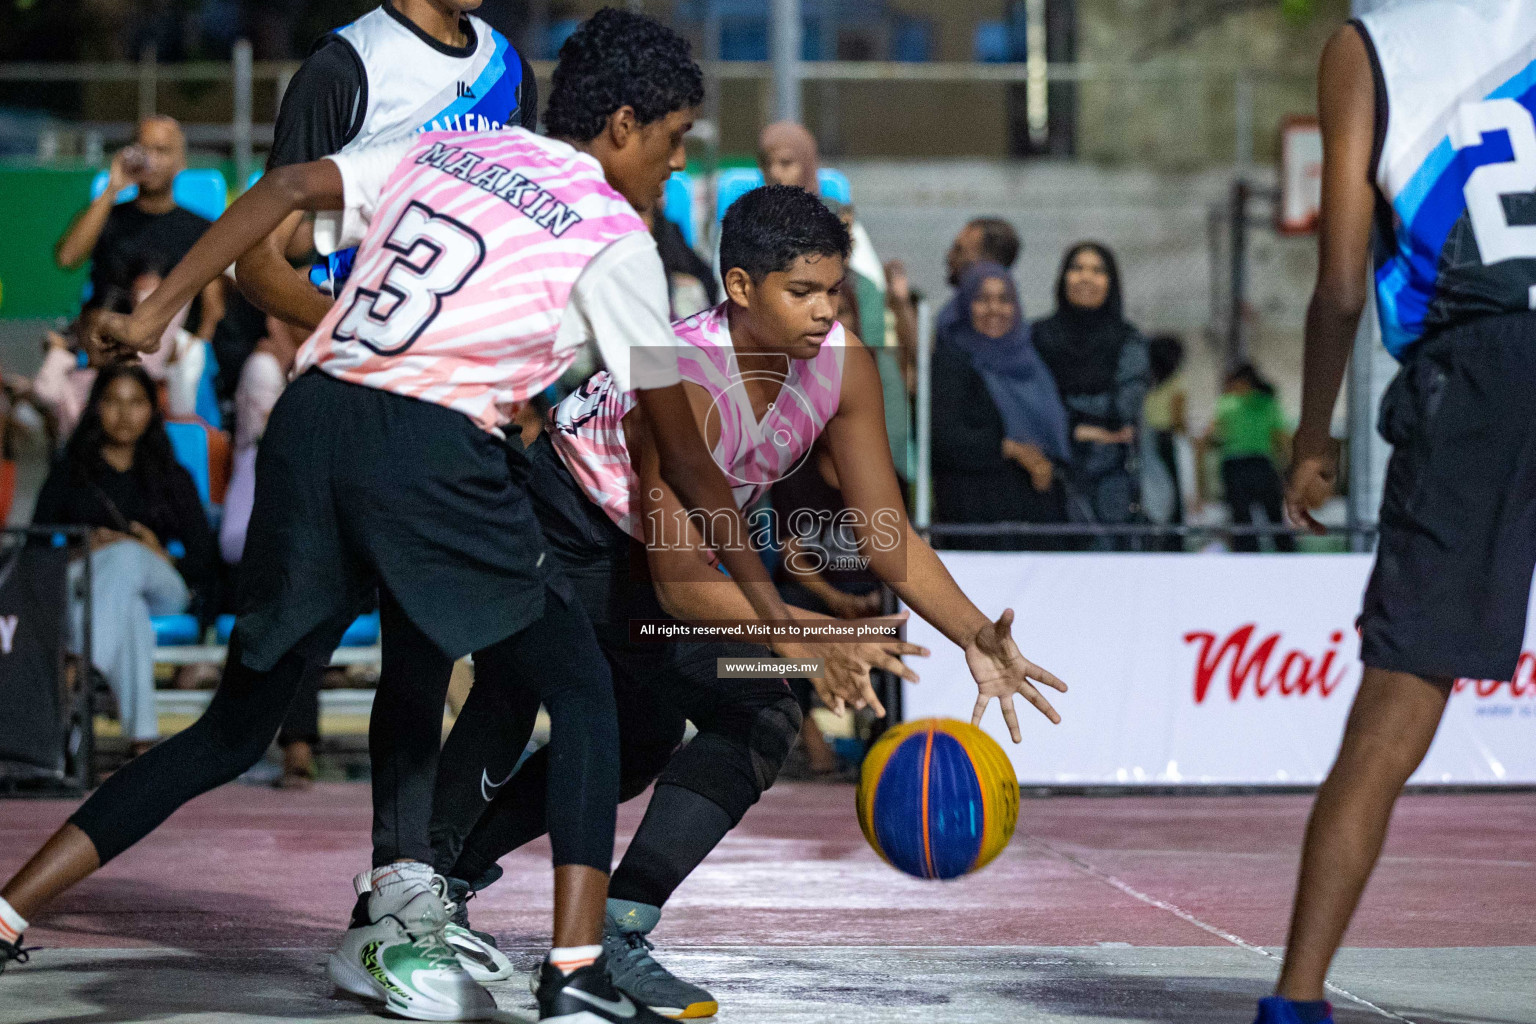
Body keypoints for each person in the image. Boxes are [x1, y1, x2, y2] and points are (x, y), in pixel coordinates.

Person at [0, 13, 808, 1024]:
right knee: (588, 695)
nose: (679, 163)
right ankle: (572, 965)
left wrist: (164, 308)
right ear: (623, 124)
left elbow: (291, 189)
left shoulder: (457, 144)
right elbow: (687, 457)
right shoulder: (613, 238)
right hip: (426, 446)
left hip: (315, 416)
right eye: (674, 138)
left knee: (231, 726)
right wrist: (776, 618)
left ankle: (5, 907)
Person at [424, 185, 1068, 1018]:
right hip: (562, 528)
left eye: (833, 290)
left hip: (656, 559)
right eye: (801, 291)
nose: (823, 311)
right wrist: (804, 633)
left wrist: (973, 634)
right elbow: (680, 586)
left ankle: (617, 930)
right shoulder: (672, 370)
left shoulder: (846, 365)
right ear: (738, 287)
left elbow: (885, 535)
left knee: (752, 714)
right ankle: (429, 880)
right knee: (569, 712)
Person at [1263, 6, 1536, 1024]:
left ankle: (1295, 999)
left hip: (1481, 371)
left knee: (1393, 715)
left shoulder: (1370, 42)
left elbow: (1338, 282)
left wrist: (1313, 435)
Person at [233, 0, 540, 795]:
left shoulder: (509, 72)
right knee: (241, 720)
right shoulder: (344, 70)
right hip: (350, 412)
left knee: (440, 669)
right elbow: (262, 264)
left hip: (454, 410)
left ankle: (416, 870)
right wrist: (375, 328)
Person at [31, 364, 217, 757]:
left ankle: (78, 664)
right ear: (96, 407)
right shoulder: (72, 470)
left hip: (162, 582)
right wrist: (84, 547)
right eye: (113, 401)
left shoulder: (171, 475)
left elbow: (204, 558)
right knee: (127, 612)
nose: (124, 413)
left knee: (129, 555)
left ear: (152, 410)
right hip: (87, 578)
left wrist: (155, 550)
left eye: (135, 403)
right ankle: (143, 742)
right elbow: (37, 544)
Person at [931, 262, 1069, 550]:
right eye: (982, 299)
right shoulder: (951, 361)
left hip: (1037, 516)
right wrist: (1015, 450)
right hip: (977, 518)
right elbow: (945, 439)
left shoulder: (1032, 361)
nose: (995, 309)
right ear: (965, 305)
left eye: (1004, 299)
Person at [53, 115, 224, 344]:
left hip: (169, 352)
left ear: (180, 160)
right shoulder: (107, 217)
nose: (151, 160)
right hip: (106, 347)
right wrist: (113, 187)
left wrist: (191, 360)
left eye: (162, 151)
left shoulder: (200, 229)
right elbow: (67, 258)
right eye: (144, 150)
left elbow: (212, 311)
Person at [1033, 241, 1150, 543]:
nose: (1086, 278)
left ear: (1111, 282)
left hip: (1112, 479)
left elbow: (1124, 408)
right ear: (1063, 278)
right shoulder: (1037, 337)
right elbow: (1034, 406)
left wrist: (1068, 420)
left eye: (1098, 271)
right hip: (1045, 476)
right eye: (1077, 268)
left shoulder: (1129, 340)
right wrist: (1083, 429)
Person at [1199, 363, 1293, 553]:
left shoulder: (1228, 403)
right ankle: (1288, 555)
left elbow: (1208, 436)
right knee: (1274, 517)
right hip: (1262, 465)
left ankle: (1248, 557)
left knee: (1242, 521)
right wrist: (1286, 469)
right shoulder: (1268, 403)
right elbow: (1283, 439)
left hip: (1235, 466)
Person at [1141, 333, 1188, 546]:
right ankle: (1172, 544)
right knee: (1170, 498)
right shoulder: (1176, 383)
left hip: (1140, 440)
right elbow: (1179, 423)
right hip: (1163, 442)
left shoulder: (1143, 381)